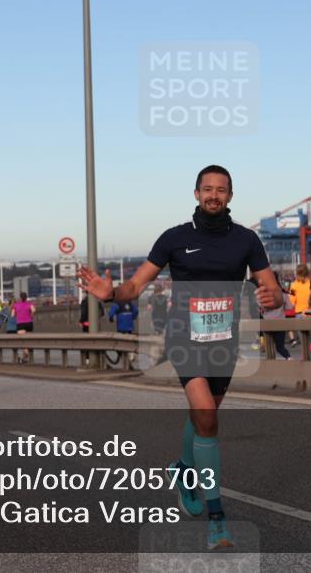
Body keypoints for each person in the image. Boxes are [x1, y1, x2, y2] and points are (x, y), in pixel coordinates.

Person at [79, 165, 282, 550]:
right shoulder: (174, 238)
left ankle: (184, 470)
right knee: (207, 416)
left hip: (223, 341)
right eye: (207, 189)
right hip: (184, 337)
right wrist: (111, 293)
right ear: (196, 193)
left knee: (205, 416)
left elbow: (271, 287)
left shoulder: (247, 240)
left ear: (230, 196)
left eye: (221, 190)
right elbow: (135, 285)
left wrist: (276, 297)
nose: (214, 195)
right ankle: (217, 519)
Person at [288, 265, 311, 355]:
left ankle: (305, 355)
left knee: (302, 337)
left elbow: (292, 301)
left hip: (299, 313)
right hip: (310, 312)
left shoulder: (294, 285)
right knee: (310, 336)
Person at [12, 293, 35, 363]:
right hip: (29, 323)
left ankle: (27, 353)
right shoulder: (30, 304)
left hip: (21, 324)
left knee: (22, 341)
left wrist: (17, 315)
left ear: (20, 298)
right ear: (26, 297)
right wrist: (31, 315)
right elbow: (33, 310)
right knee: (27, 341)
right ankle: (24, 359)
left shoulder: (16, 305)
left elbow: (12, 315)